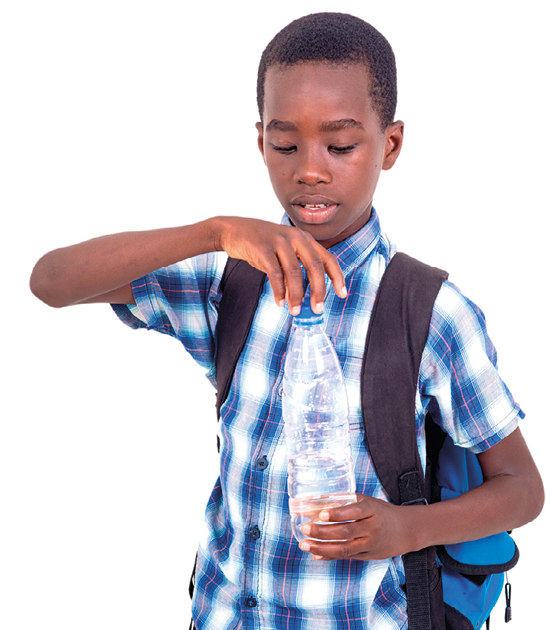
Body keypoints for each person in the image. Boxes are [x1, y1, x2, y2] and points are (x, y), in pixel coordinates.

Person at [30, 12, 543, 630]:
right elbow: (51, 282)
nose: (310, 169)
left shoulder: (429, 310)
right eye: (285, 144)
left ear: (392, 145)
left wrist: (408, 528)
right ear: (260, 142)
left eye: (342, 144)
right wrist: (213, 231)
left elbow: (520, 488)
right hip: (221, 615)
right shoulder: (228, 281)